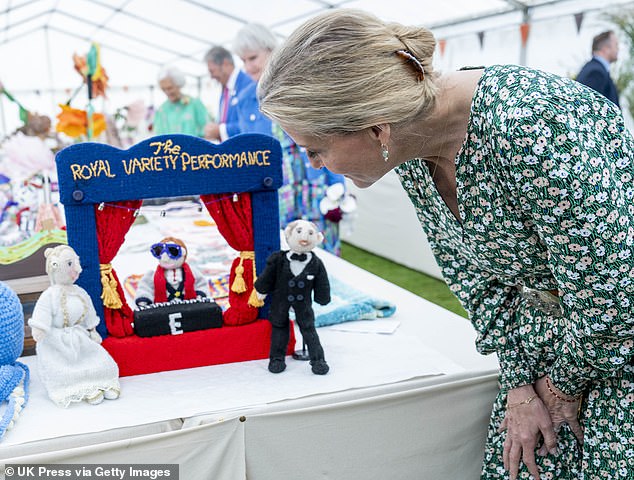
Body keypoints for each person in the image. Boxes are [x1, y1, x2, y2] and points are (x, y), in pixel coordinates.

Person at [257, 9, 634, 480]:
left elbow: (616, 295)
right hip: (549, 359)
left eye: (314, 149)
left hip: (617, 358)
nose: (313, 166)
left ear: (377, 128)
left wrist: (559, 390)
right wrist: (520, 383)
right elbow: (471, 276)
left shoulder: (533, 123)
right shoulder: (413, 142)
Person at [232, 23, 346, 254]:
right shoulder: (245, 100)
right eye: (242, 61)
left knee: (320, 250)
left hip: (314, 185)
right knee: (283, 252)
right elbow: (248, 151)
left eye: (253, 58)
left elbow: (328, 139)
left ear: (272, 51)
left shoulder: (301, 89)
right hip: (276, 191)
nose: (248, 67)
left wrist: (338, 186)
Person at [203, 45, 253, 142]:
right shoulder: (225, 89)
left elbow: (250, 124)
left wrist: (220, 130)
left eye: (212, 71)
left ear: (225, 64)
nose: (212, 76)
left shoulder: (248, 84)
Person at [153, 67, 210, 137]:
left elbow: (207, 130)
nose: (167, 92)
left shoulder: (195, 104)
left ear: (179, 85)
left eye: (170, 88)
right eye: (163, 89)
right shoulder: (161, 110)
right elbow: (158, 136)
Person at [576, 30, 620, 107]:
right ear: (606, 48)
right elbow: (588, 108)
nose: (618, 49)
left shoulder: (595, 69)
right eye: (616, 45)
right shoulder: (595, 72)